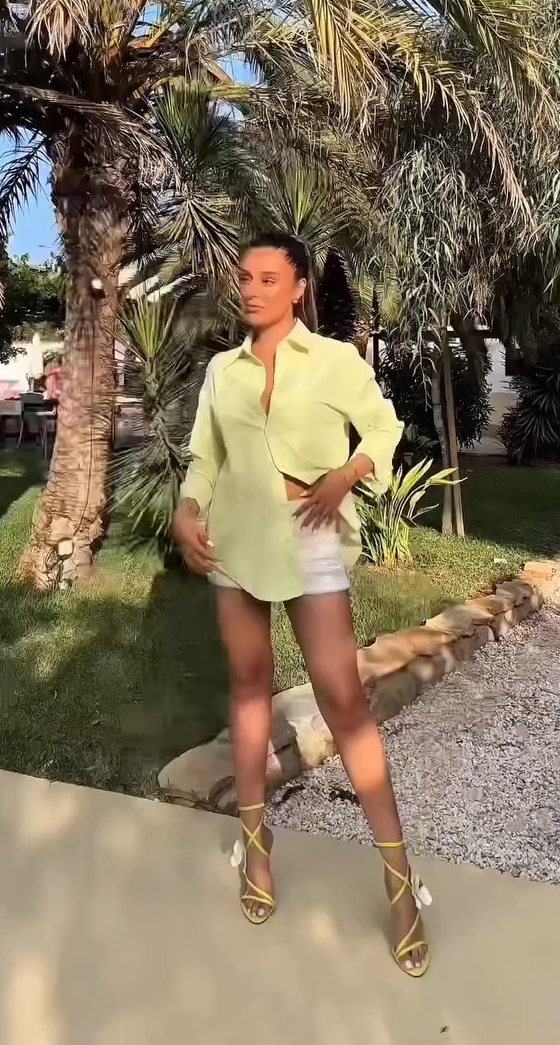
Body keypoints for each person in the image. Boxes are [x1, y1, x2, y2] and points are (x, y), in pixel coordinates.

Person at [173, 232, 431, 977]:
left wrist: (346, 475)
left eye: (267, 278)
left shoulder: (334, 360)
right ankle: (256, 851)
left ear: (297, 289)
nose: (251, 289)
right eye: (244, 278)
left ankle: (399, 881)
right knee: (249, 687)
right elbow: (206, 456)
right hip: (236, 539)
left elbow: (382, 427)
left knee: (342, 699)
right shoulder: (223, 371)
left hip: (311, 533)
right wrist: (189, 508)